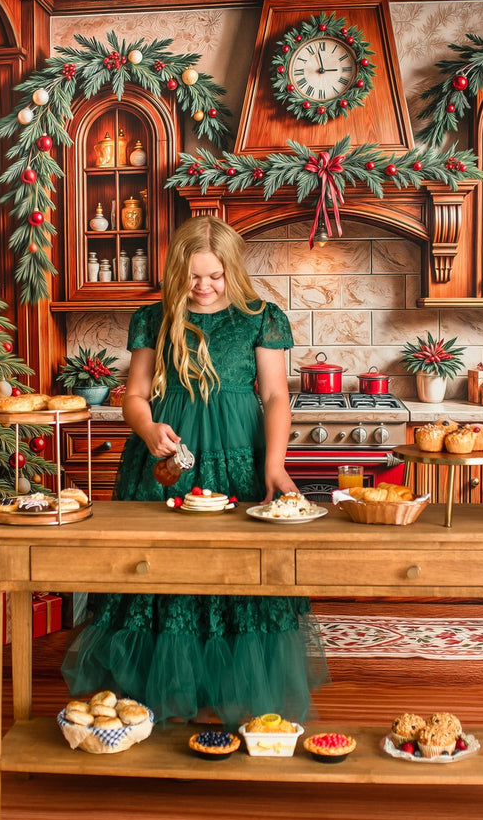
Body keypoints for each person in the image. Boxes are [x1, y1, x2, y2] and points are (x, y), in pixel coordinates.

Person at [61, 215, 329, 726]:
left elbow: (274, 395)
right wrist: (146, 430)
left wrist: (275, 463)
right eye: (193, 276)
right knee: (162, 568)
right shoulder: (153, 317)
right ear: (175, 271)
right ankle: (163, 686)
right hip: (165, 461)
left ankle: (229, 686)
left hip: (237, 457)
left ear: (233, 269)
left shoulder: (260, 317)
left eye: (215, 275)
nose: (204, 287)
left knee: (237, 570)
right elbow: (134, 396)